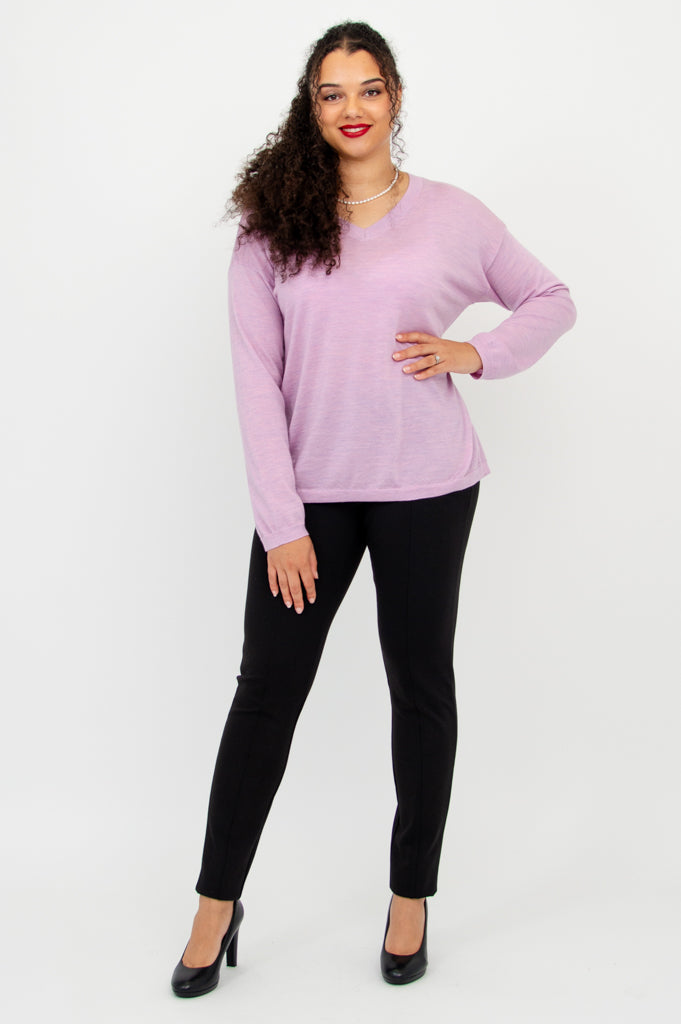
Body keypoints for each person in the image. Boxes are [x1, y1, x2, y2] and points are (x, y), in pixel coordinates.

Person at [171, 20, 577, 996]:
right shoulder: (271, 227)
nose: (351, 108)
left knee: (419, 687)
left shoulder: (451, 215)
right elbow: (255, 380)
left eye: (367, 89)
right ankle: (216, 906)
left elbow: (549, 299)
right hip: (311, 499)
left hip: (427, 487)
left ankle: (409, 897)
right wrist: (282, 524)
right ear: (309, 108)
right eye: (331, 92)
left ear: (394, 96)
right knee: (266, 695)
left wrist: (473, 352)